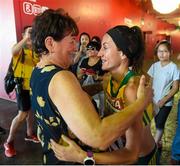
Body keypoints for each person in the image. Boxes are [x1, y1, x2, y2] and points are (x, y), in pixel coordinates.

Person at [30, 9, 152, 165]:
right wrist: (141, 103)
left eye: (105, 47)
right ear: (50, 43)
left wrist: (97, 87)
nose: (77, 47)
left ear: (123, 54)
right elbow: (99, 137)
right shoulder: (61, 77)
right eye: (72, 40)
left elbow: (132, 151)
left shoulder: (37, 71)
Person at [4, 26, 40, 158]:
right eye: (29, 32)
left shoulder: (36, 50)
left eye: (33, 32)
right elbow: (13, 50)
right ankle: (9, 142)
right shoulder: (19, 49)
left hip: (33, 86)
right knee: (22, 114)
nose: (31, 34)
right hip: (22, 87)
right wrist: (26, 38)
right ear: (23, 34)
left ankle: (29, 134)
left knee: (30, 112)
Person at [147, 40, 179, 163]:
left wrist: (164, 100)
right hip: (153, 101)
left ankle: (154, 147)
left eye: (165, 51)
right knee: (153, 121)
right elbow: (150, 83)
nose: (162, 54)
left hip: (166, 103)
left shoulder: (173, 67)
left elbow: (176, 88)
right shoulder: (154, 66)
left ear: (170, 52)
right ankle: (158, 143)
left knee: (160, 124)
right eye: (160, 51)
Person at [78, 41, 105, 113]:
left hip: (99, 89)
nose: (89, 50)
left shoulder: (102, 61)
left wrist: (96, 77)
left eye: (92, 48)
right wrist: (81, 73)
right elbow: (79, 77)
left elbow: (108, 77)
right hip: (86, 88)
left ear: (98, 50)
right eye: (88, 49)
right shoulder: (84, 60)